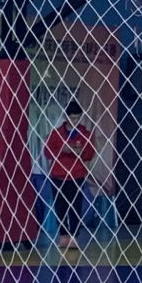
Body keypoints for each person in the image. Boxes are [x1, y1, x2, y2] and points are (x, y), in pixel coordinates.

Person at [44, 99, 96, 254]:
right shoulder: (56, 134)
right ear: (66, 117)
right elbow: (47, 152)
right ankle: (63, 234)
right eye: (73, 118)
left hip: (76, 175)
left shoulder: (86, 134)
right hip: (58, 176)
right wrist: (63, 150)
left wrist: (81, 152)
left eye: (78, 118)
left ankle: (74, 235)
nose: (75, 121)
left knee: (75, 207)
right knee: (60, 207)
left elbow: (90, 154)